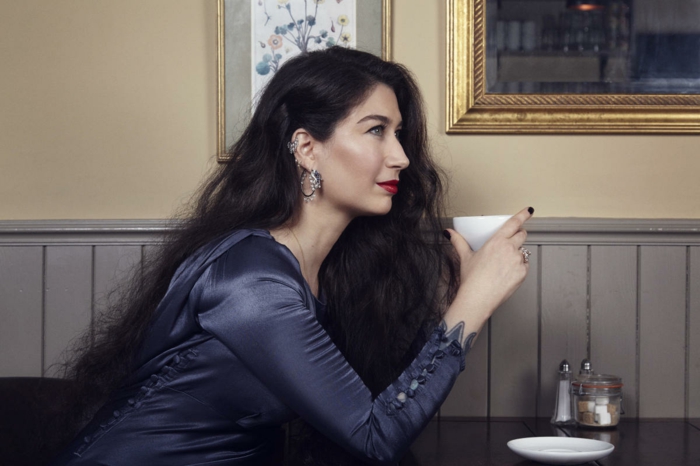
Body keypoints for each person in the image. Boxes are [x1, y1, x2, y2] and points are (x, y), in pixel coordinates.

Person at [49, 46, 532, 465]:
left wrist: (455, 298)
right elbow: (375, 436)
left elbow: (370, 414)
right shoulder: (252, 282)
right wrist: (475, 302)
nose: (401, 156)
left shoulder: (321, 270)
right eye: (375, 131)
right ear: (307, 148)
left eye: (398, 133)